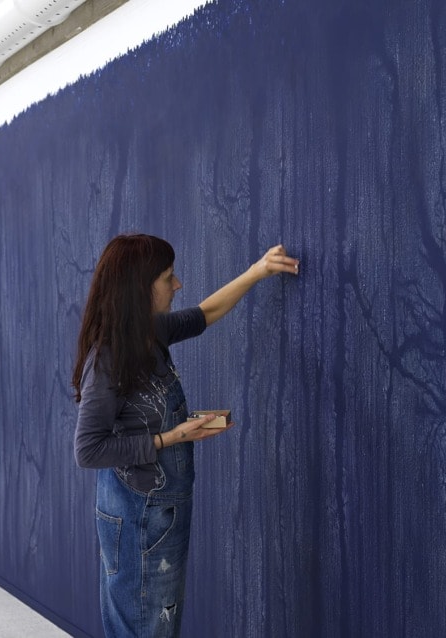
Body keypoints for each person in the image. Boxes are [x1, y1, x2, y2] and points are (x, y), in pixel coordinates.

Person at [73, 234, 299, 637]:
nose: (177, 285)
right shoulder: (108, 358)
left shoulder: (147, 333)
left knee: (157, 624)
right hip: (139, 514)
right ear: (139, 289)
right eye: (168, 278)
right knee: (144, 627)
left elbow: (206, 313)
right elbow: (88, 449)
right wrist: (170, 438)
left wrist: (258, 271)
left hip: (161, 511)